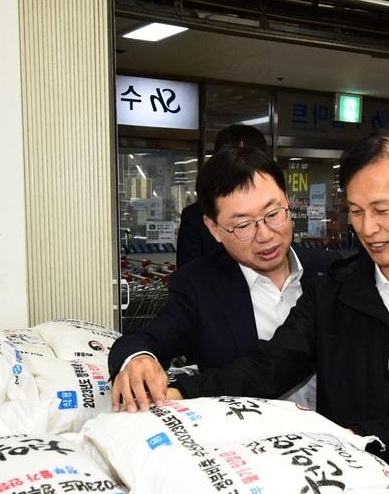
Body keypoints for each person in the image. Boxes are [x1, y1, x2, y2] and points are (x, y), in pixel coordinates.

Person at [168, 130, 389, 482]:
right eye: (356, 211)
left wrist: (357, 438)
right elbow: (270, 366)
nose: (368, 228)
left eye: (381, 210)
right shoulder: (333, 291)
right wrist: (181, 392)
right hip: (353, 489)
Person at [110, 147, 338, 410]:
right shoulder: (199, 286)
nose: (265, 235)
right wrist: (137, 359)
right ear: (214, 228)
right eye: (242, 225)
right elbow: (145, 339)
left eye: (274, 214)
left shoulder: (330, 270)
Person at [176, 124, 270, 267]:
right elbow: (186, 278)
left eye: (250, 159)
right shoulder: (194, 217)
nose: (242, 166)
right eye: (234, 159)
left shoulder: (276, 213)